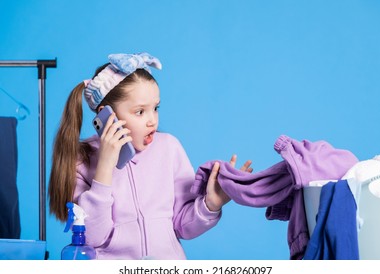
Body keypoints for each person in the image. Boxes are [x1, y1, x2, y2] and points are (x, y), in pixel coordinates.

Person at [48, 52, 253, 260]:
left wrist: (211, 204)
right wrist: (105, 167)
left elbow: (184, 226)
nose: (152, 121)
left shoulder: (169, 148)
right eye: (140, 112)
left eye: (155, 108)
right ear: (106, 114)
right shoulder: (82, 160)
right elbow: (92, 238)